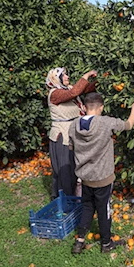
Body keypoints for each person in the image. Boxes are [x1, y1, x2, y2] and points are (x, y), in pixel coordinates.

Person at [69, 92, 134, 253]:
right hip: (102, 177)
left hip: (85, 177)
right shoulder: (105, 122)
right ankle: (106, 243)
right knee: (103, 209)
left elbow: (71, 148)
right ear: (101, 107)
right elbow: (128, 125)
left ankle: (79, 241)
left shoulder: (74, 125)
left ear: (85, 107)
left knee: (87, 206)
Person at [46, 67, 97, 200]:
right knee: (65, 169)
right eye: (64, 75)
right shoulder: (55, 94)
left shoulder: (68, 89)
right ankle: (64, 200)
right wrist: (85, 75)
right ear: (56, 79)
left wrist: (101, 79)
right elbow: (75, 92)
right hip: (63, 136)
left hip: (73, 134)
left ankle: (74, 197)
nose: (67, 77)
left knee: (74, 166)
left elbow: (85, 89)